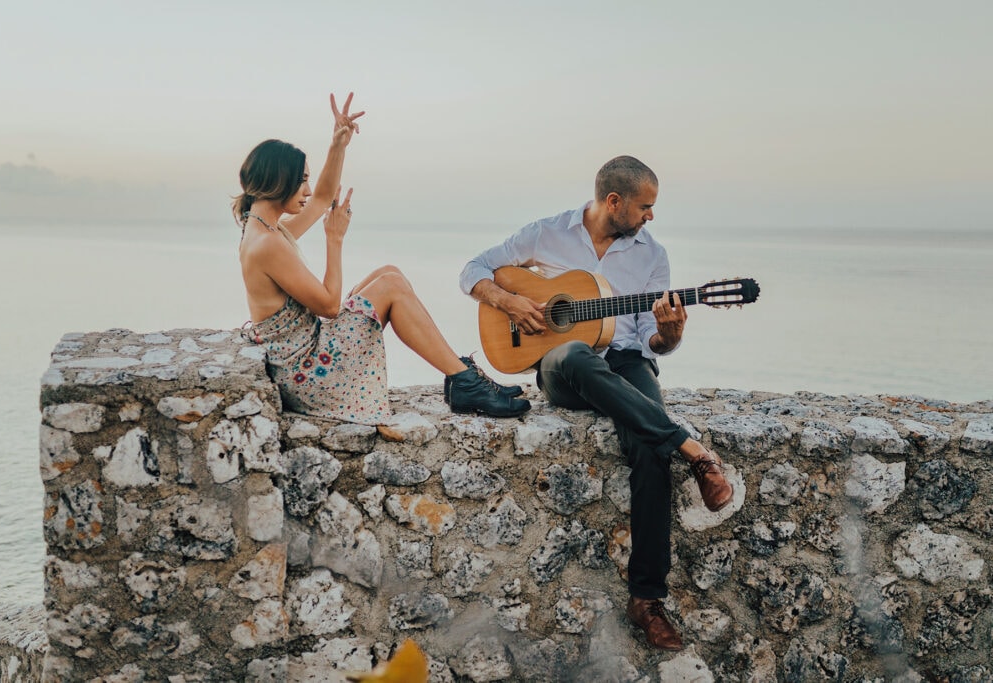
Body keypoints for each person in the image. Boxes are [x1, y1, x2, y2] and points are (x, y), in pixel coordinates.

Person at [459, 155, 734, 650]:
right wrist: (511, 302)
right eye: (645, 206)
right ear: (614, 202)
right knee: (576, 353)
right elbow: (474, 269)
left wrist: (668, 335)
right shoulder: (548, 232)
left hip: (627, 362)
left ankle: (647, 600)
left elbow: (654, 341)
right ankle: (693, 450)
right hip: (563, 366)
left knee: (648, 449)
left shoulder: (653, 255)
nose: (651, 216)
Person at [234, 93, 529, 424]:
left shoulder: (262, 227)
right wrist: (335, 239)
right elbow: (330, 307)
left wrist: (338, 144)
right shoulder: (267, 244)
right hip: (310, 375)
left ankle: (460, 374)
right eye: (301, 179)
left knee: (390, 272)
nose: (306, 189)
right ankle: (465, 382)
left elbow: (321, 199)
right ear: (279, 181)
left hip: (304, 359)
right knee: (390, 286)